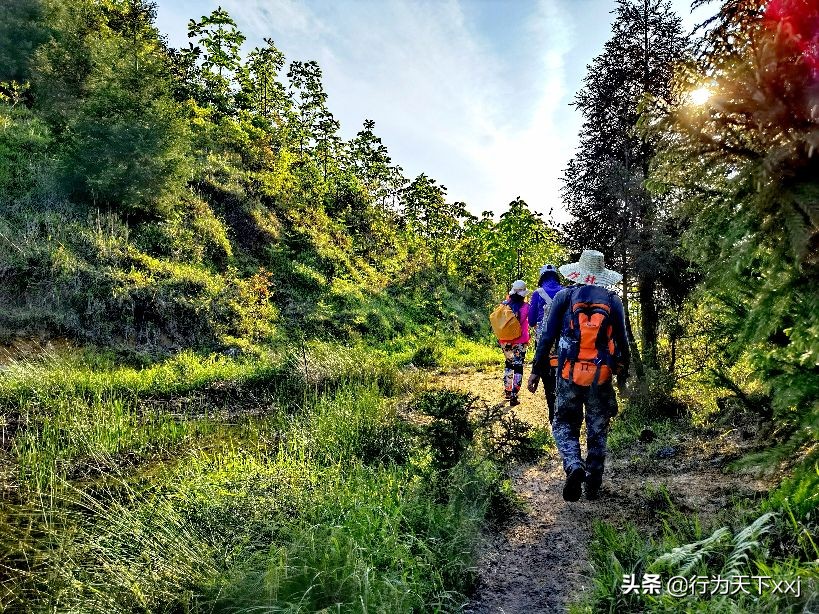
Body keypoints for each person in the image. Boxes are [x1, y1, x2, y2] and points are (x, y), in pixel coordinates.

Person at [527, 250, 630, 502]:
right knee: (597, 430)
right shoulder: (613, 300)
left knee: (563, 423)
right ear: (602, 274)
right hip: (601, 377)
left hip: (568, 375)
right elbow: (623, 343)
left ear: (578, 272)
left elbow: (547, 338)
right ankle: (593, 485)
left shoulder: (565, 296)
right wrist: (622, 378)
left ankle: (574, 465)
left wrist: (536, 371)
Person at [528, 264, 565, 422]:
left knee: (549, 384)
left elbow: (530, 321)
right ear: (556, 276)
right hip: (565, 343)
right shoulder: (566, 292)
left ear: (541, 277)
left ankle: (553, 418)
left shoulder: (537, 294)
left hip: (544, 346)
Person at [498, 280, 531, 407]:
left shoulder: (504, 305)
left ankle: (507, 390)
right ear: (523, 294)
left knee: (508, 364)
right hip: (520, 341)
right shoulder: (526, 307)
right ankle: (514, 395)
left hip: (505, 340)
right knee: (518, 366)